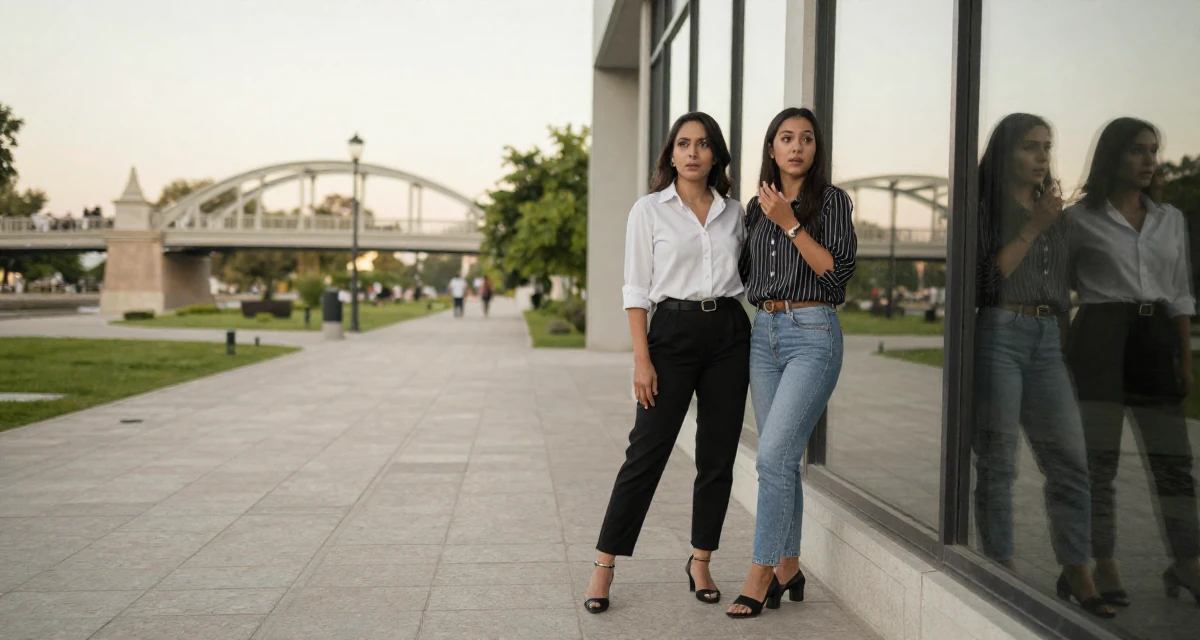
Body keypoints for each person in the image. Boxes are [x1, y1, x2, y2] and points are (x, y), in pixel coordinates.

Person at [584, 112, 749, 615]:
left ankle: (701, 559)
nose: (693, 152)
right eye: (683, 144)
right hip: (670, 334)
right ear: (671, 154)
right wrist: (642, 358)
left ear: (716, 154)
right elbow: (635, 289)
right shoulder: (649, 210)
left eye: (702, 144)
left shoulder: (735, 213)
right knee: (646, 452)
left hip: (728, 332)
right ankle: (604, 564)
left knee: (717, 456)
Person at [971, 114, 1112, 618]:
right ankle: (999, 567)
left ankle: (1078, 570)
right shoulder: (986, 207)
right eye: (1030, 147)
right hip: (1000, 334)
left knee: (1070, 461)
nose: (1042, 157)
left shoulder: (1057, 213)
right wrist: (1034, 226)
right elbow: (986, 281)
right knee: (999, 462)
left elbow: (1072, 280)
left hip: (1049, 339)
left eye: (1047, 148)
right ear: (1006, 153)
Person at [1064, 117, 1200, 608]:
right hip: (1099, 336)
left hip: (1157, 337)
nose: (1149, 161)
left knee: (1174, 465)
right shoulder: (1078, 220)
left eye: (1153, 151)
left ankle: (1187, 562)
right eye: (1137, 151)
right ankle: (1102, 561)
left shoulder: (1171, 219)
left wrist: (1184, 359)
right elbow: (1059, 291)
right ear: (1113, 157)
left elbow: (1181, 292)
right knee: (1098, 467)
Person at [727, 107, 856, 618]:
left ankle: (759, 575)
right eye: (786, 138)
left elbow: (837, 275)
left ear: (816, 149)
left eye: (806, 138)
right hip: (766, 334)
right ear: (772, 148)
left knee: (773, 458)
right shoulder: (753, 208)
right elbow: (735, 272)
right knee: (782, 461)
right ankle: (788, 567)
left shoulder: (832, 202)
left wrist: (792, 224)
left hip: (813, 332)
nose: (796, 146)